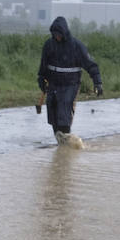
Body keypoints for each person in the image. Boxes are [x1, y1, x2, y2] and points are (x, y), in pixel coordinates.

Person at [37, 16, 103, 145]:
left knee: (64, 113)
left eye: (59, 34)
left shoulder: (76, 46)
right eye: (54, 34)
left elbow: (91, 65)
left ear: (64, 32)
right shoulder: (49, 45)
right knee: (53, 114)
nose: (57, 37)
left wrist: (98, 82)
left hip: (70, 85)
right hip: (53, 84)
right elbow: (43, 64)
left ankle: (68, 145)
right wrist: (41, 78)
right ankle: (60, 144)